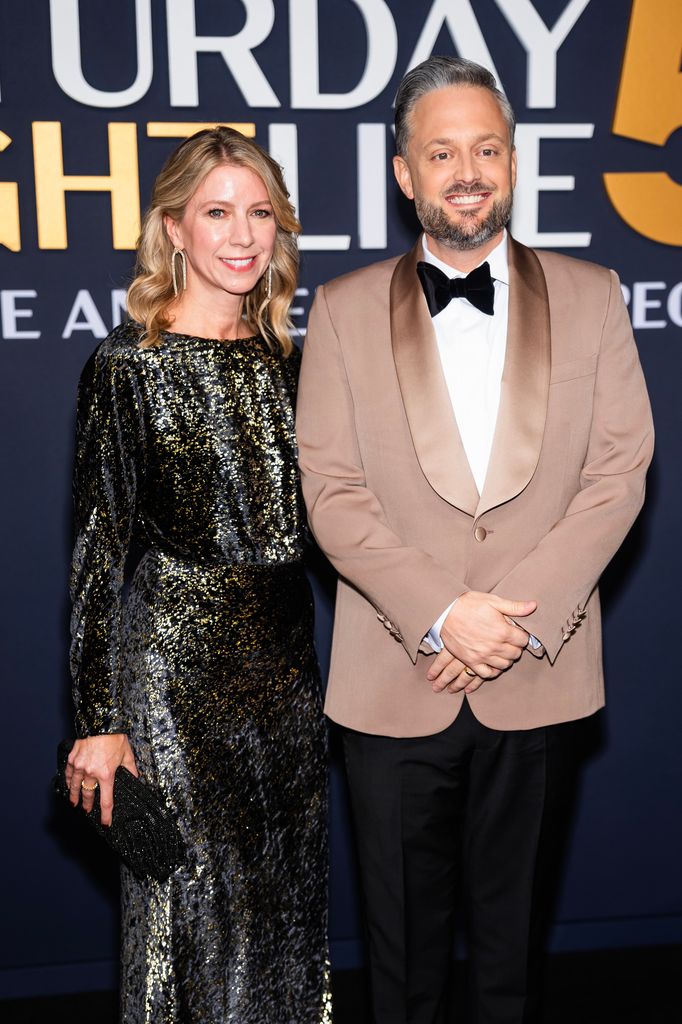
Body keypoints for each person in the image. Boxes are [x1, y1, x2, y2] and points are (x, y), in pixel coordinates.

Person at [296, 57, 653, 1024]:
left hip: (539, 671)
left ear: (513, 162)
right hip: (394, 679)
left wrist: (513, 624)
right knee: (402, 963)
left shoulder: (593, 293)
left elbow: (619, 471)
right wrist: (446, 616)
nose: (467, 170)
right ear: (405, 173)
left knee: (512, 957)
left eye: (486, 149)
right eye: (442, 151)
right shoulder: (338, 311)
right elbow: (330, 492)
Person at [64, 126, 332, 1024]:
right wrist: (100, 724)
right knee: (188, 904)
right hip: (174, 679)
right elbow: (97, 554)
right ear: (173, 228)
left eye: (260, 213)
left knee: (282, 904)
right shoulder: (125, 367)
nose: (243, 235)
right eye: (217, 212)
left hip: (287, 676)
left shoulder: (292, 364)